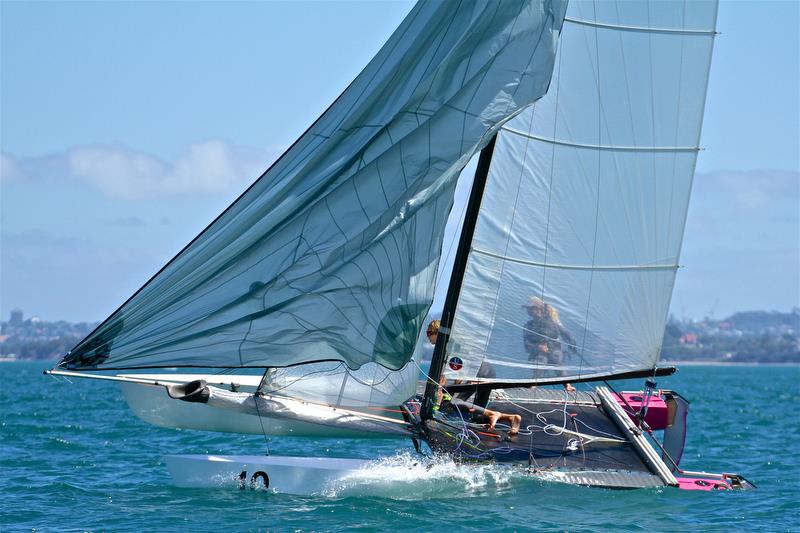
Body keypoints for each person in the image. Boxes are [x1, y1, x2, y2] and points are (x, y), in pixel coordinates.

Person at [426, 320, 521, 435]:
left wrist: (436, 404)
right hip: (488, 371)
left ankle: (494, 414)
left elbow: (447, 378)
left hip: (479, 374)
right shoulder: (454, 343)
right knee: (478, 416)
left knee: (454, 403)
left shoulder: (448, 347)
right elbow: (457, 371)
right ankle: (511, 418)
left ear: (437, 332)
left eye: (429, 333)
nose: (428, 337)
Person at [522, 296, 576, 392]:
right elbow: (527, 344)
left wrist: (572, 341)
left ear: (538, 309)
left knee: (557, 360)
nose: (528, 311)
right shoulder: (528, 326)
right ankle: (534, 384)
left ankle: (567, 384)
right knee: (541, 361)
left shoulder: (551, 321)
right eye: (528, 309)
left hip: (554, 349)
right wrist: (538, 347)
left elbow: (564, 331)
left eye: (531, 308)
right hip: (539, 352)